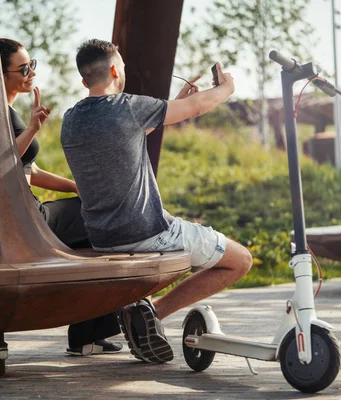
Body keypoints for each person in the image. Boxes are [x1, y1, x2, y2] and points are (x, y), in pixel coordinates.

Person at [61, 39, 253, 363]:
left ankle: (141, 315)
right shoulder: (128, 107)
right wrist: (226, 88)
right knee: (241, 260)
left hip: (102, 237)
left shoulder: (72, 119)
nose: (123, 71)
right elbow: (197, 107)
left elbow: (125, 137)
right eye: (121, 66)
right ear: (113, 70)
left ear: (83, 80)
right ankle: (152, 314)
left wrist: (173, 104)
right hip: (148, 233)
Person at [0, 38, 122, 356]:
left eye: (32, 64)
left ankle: (87, 335)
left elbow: (28, 172)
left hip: (24, 211)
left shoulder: (3, 112)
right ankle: (90, 331)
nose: (31, 72)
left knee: (93, 231)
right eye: (23, 68)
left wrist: (76, 186)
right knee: (104, 218)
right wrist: (32, 128)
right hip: (22, 218)